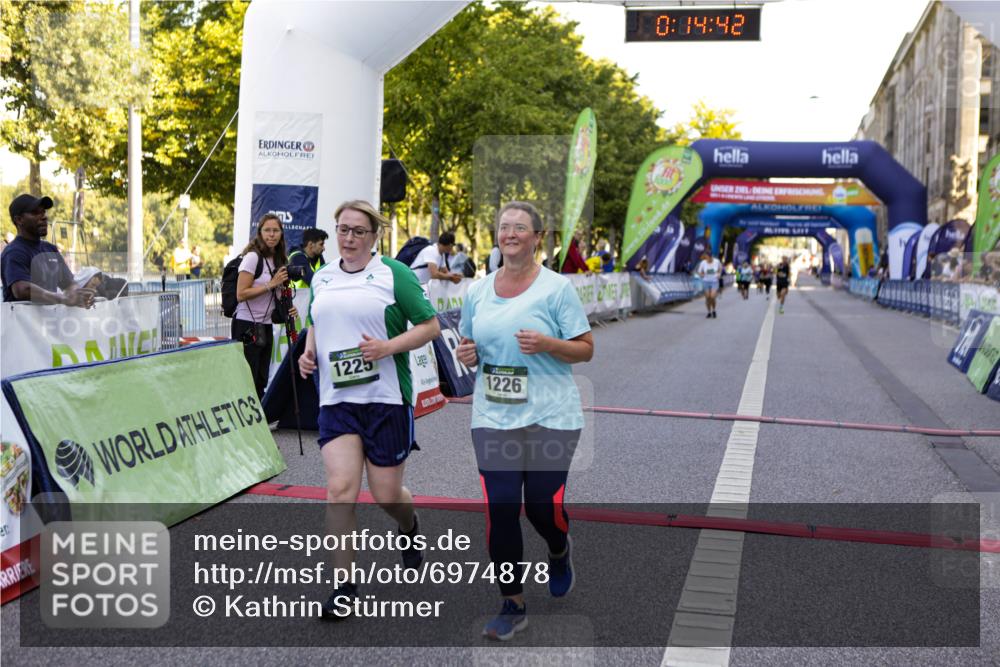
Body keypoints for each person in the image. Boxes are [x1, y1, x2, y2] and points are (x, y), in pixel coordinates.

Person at [455, 201, 594, 641]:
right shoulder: (478, 291)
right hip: (493, 415)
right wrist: (468, 352)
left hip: (551, 415)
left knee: (540, 506)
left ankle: (558, 547)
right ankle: (512, 603)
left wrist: (550, 343)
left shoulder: (556, 289)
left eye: (520, 227)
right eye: (504, 227)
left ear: (537, 237)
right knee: (501, 508)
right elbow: (468, 341)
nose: (510, 233)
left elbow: (586, 348)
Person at [297, 200, 441, 619]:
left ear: (374, 235)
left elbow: (430, 326)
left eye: (358, 231)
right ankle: (344, 587)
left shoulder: (393, 274)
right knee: (340, 490)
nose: (348, 238)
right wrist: (309, 353)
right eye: (343, 229)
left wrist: (387, 348)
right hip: (337, 400)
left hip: (386, 398)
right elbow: (316, 323)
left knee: (386, 495)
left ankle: (409, 527)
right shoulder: (322, 277)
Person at [232, 214, 297, 399]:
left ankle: (259, 419)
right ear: (260, 233)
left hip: (266, 325)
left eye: (275, 230)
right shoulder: (252, 258)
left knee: (261, 378)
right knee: (247, 377)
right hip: (246, 324)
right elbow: (241, 294)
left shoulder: (278, 259)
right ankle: (245, 422)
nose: (271, 235)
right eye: (267, 230)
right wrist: (270, 284)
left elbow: (276, 297)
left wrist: (288, 309)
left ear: (281, 234)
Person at [2, 194, 94, 307]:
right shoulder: (14, 252)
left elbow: (69, 283)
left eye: (43, 212)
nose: (44, 217)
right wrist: (62, 298)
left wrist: (76, 294)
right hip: (21, 323)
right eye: (35, 213)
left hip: (50, 322)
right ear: (19, 220)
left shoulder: (50, 249)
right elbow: (22, 290)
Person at [695, 251, 722, 319]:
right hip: (706, 281)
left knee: (712, 297)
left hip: (714, 281)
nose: (708, 259)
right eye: (707, 258)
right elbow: (699, 272)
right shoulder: (703, 263)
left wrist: (719, 274)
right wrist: (702, 275)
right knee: (707, 298)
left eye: (709, 258)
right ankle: (709, 312)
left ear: (711, 257)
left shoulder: (717, 261)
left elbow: (720, 268)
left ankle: (714, 310)